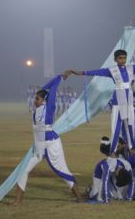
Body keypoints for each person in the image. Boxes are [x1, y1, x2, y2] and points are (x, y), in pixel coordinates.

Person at [64, 47, 135, 155]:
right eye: (120, 58)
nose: (123, 60)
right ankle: (113, 150)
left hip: (129, 99)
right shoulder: (111, 70)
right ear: (116, 59)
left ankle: (131, 147)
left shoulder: (131, 68)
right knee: (116, 126)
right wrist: (75, 72)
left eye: (124, 58)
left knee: (129, 124)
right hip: (118, 99)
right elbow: (95, 72)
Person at [12, 75, 82, 206]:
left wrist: (60, 77)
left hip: (52, 144)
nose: (34, 100)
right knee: (24, 170)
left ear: (44, 100)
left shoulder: (49, 109)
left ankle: (79, 197)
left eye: (37, 99)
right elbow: (43, 90)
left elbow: (52, 89)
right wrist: (42, 91)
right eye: (35, 98)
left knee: (62, 171)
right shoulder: (35, 111)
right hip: (39, 147)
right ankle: (17, 201)